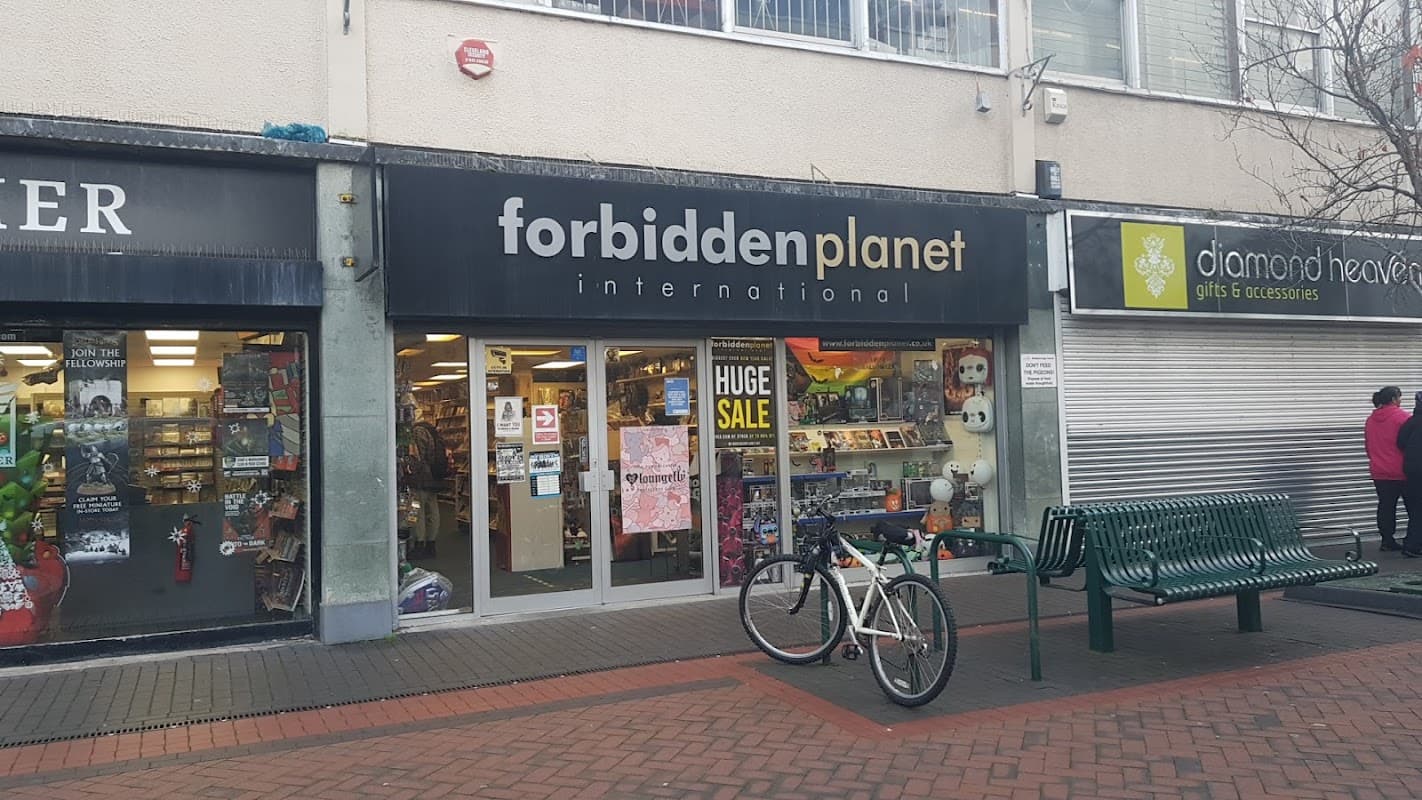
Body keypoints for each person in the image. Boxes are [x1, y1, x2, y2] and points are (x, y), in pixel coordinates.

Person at [1366, 386, 1408, 552]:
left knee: (1385, 506)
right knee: (1413, 507)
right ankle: (1413, 539)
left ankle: (1386, 540)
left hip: (1379, 471)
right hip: (1401, 470)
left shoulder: (1370, 420)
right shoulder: (1402, 417)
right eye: (1399, 397)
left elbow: (1368, 446)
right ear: (1393, 399)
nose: (1400, 401)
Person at [1395, 391, 1422, 557]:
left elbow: (1400, 443)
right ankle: (1412, 545)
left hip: (1411, 471)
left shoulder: (1411, 422)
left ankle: (1412, 543)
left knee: (1416, 509)